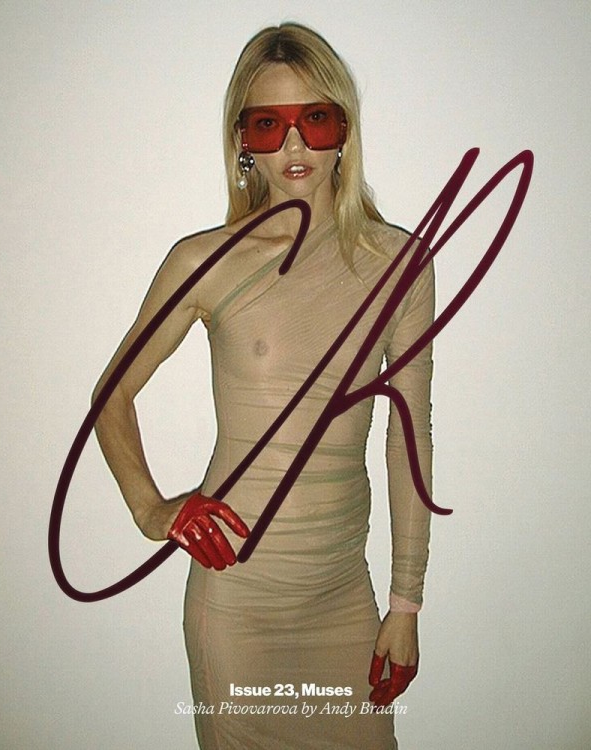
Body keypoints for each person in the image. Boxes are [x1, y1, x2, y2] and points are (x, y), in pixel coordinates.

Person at [93, 22, 433, 750]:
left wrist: (406, 602)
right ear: (243, 141)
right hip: (237, 604)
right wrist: (152, 509)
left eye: (316, 118)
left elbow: (409, 441)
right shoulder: (204, 262)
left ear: (344, 129)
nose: (295, 144)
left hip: (343, 598)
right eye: (268, 125)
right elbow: (111, 396)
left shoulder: (399, 262)